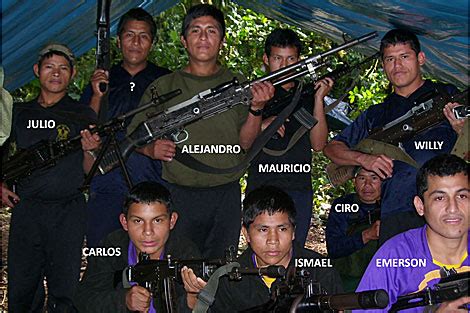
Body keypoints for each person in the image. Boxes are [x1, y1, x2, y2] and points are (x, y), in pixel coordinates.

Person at [127, 4, 275, 259]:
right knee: (178, 269)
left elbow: (245, 143)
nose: (204, 38)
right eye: (196, 31)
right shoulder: (163, 86)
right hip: (179, 194)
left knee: (220, 270)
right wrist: (150, 149)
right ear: (184, 40)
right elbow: (132, 137)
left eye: (211, 31)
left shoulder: (240, 84)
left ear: (222, 40)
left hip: (225, 193)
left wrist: (257, 108)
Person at [323, 28, 466, 245]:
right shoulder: (376, 114)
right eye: (390, 59)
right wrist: (365, 159)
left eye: (404, 57)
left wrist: (462, 131)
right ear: (383, 66)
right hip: (396, 214)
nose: (397, 66)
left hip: (446, 210)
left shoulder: (448, 95)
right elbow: (332, 148)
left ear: (421, 58)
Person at [1, 44, 99, 312]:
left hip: (68, 211)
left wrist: (90, 150)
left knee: (65, 289)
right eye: (49, 67)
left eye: (63, 68)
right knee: (22, 288)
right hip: (27, 210)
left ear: (73, 74)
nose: (56, 73)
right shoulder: (17, 114)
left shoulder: (82, 114)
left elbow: (91, 170)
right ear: (36, 70)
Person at [80, 8, 172, 247]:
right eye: (129, 35)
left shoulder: (166, 80)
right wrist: (98, 94)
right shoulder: (101, 80)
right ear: (118, 41)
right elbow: (86, 129)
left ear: (151, 43)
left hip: (151, 189)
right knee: (103, 258)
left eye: (143, 36)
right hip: (106, 187)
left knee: (149, 268)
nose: (136, 42)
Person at [182, 185, 343, 312]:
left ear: (294, 232)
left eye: (282, 229)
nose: (273, 240)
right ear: (246, 234)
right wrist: (193, 301)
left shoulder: (320, 271)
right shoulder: (229, 278)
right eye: (263, 230)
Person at [246, 28, 333, 247]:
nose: (285, 67)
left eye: (291, 59)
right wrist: (263, 123)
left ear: (299, 60)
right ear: (266, 59)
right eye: (278, 58)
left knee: (294, 256)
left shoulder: (306, 95)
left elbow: (319, 144)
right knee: (261, 252)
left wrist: (319, 100)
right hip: (261, 187)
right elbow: (241, 144)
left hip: (298, 188)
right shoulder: (253, 94)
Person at [355, 154, 469, 312]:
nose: (452, 208)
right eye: (439, 198)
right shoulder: (395, 256)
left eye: (462, 196)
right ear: (420, 206)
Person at [74, 181, 201, 313]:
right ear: (124, 222)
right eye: (138, 221)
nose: (148, 231)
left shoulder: (185, 252)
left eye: (157, 220)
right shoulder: (111, 245)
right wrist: (123, 300)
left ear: (172, 221)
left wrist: (191, 302)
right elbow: (84, 298)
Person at [326, 168, 381, 291]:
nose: (367, 185)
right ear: (354, 182)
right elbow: (334, 248)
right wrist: (366, 235)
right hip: (347, 278)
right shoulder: (343, 205)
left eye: (374, 178)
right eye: (362, 178)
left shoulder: (393, 206)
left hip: (382, 277)